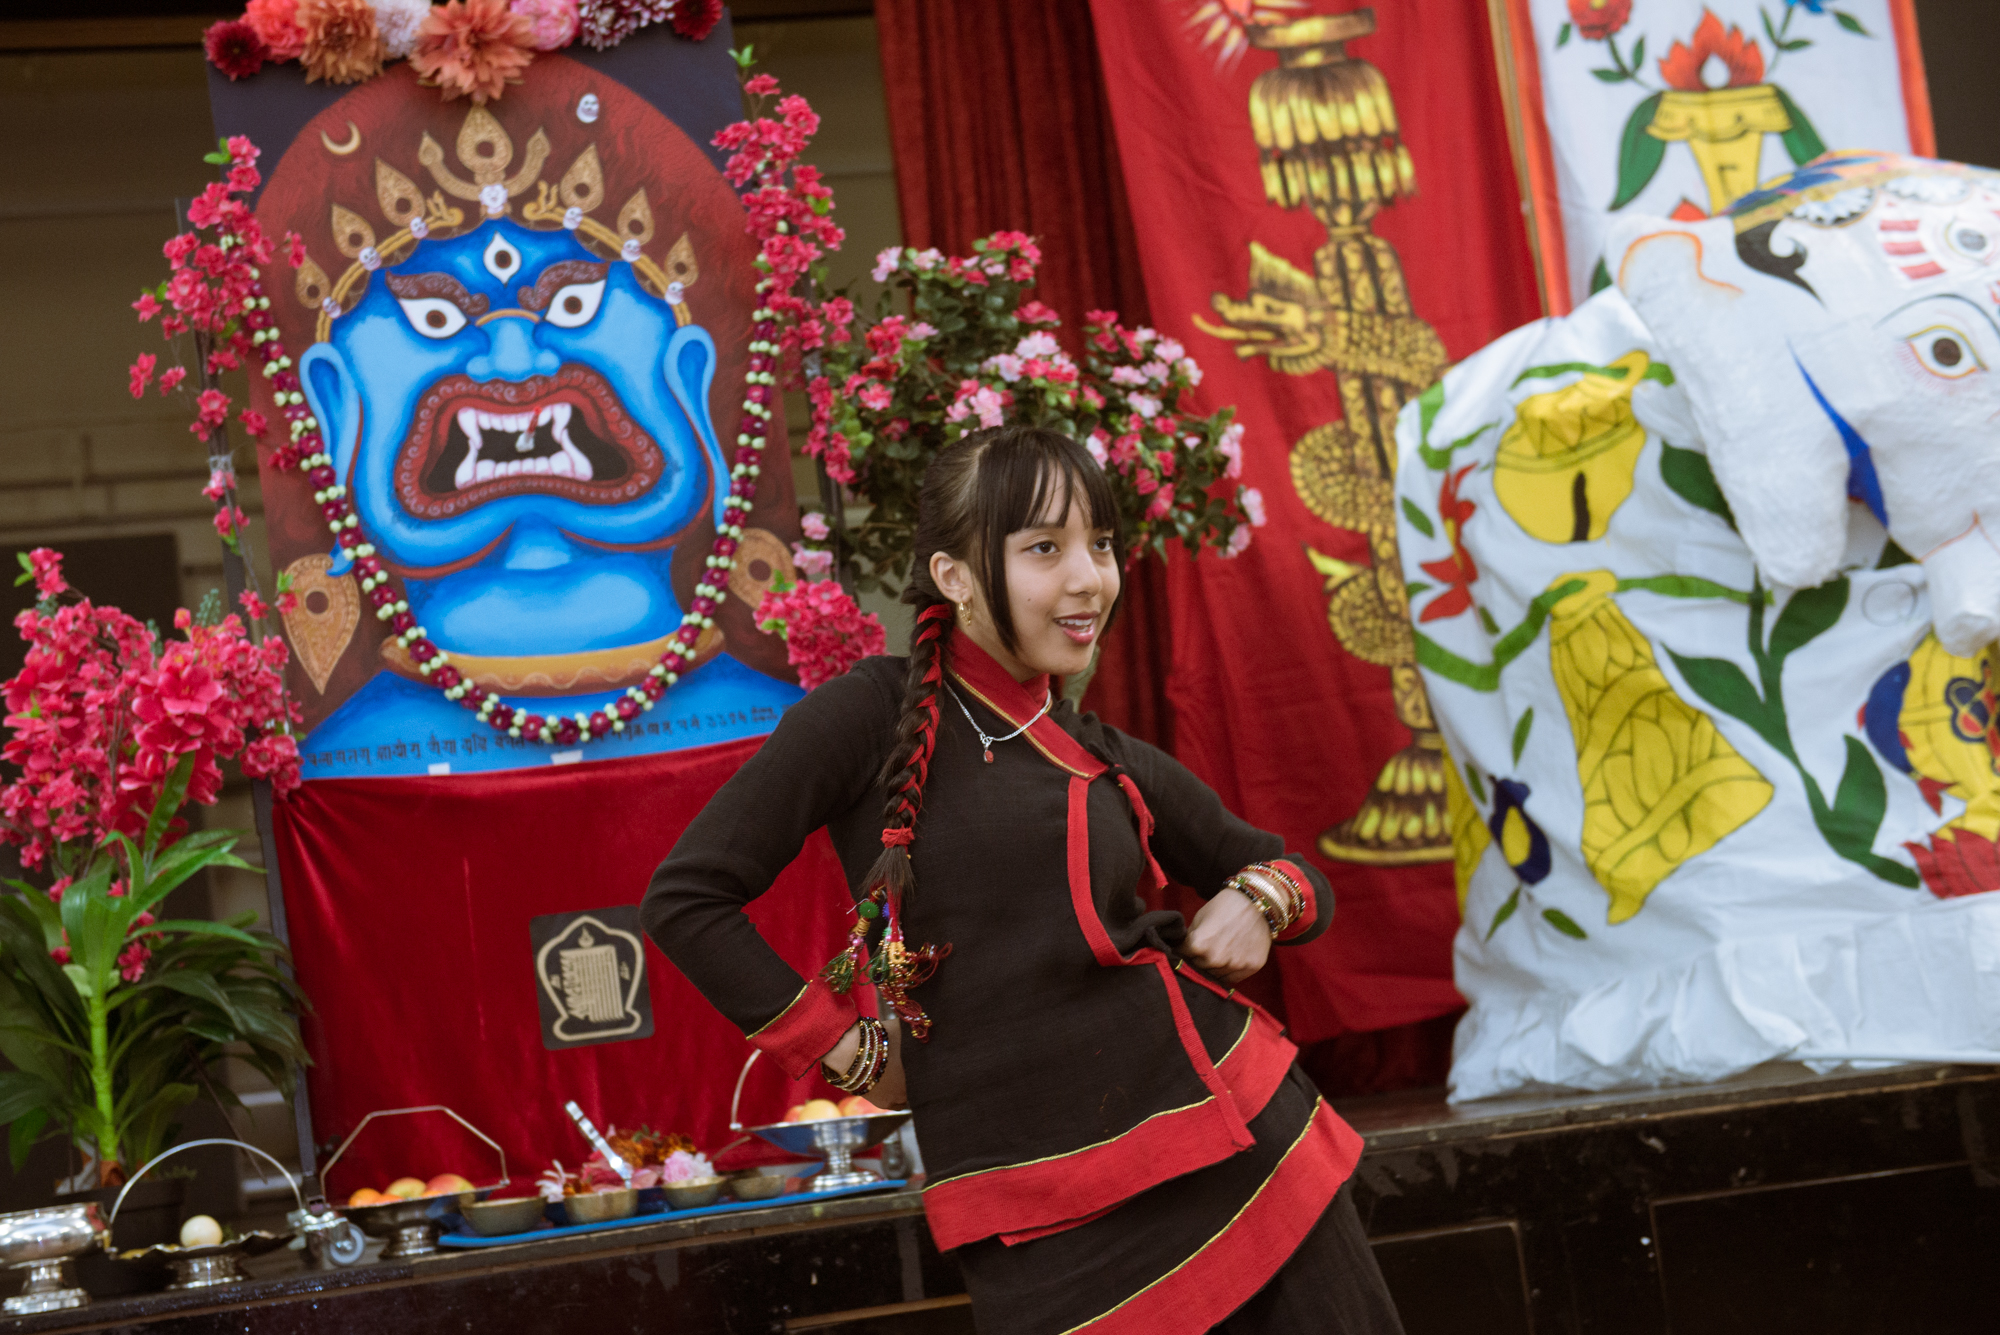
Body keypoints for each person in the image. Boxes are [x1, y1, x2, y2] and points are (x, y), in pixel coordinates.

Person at [642, 426, 1404, 1333]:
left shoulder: (1103, 754)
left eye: (1101, 544)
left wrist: (1258, 899)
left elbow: (1297, 876)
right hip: (1030, 1214)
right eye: (1045, 547)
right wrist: (851, 1050)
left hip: (1235, 1148)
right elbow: (687, 900)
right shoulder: (868, 715)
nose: (1089, 578)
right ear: (955, 576)